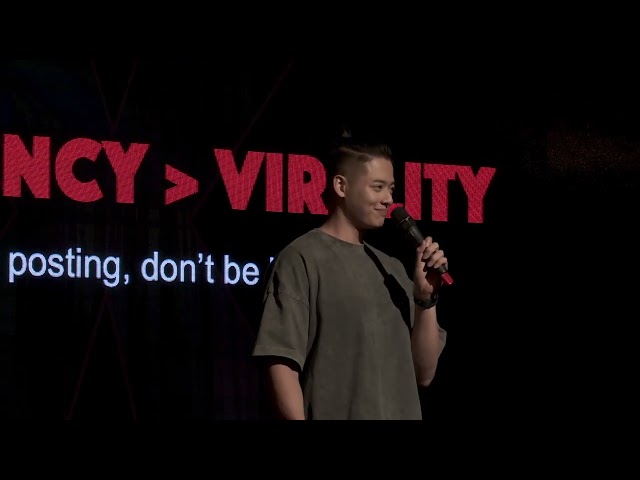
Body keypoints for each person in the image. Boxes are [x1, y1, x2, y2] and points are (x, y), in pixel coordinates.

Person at [251, 135, 448, 420]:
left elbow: (424, 373)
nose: (388, 199)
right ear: (341, 186)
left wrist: (425, 299)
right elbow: (281, 364)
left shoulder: (392, 269)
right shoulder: (302, 258)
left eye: (391, 188)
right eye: (377, 187)